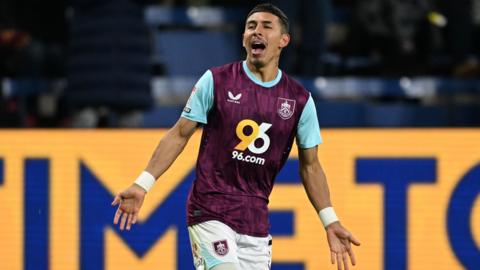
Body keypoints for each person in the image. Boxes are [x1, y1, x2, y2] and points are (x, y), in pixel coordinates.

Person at [111, 3, 360, 270]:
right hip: (210, 209)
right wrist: (142, 184)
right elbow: (179, 134)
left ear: (283, 40)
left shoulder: (299, 101)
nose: (257, 32)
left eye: (267, 26)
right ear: (243, 38)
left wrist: (330, 220)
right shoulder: (216, 81)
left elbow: (310, 166)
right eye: (251, 26)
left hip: (255, 221)